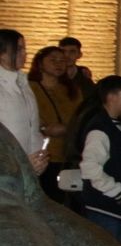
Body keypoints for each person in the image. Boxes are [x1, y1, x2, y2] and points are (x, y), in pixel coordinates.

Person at [77, 76, 121, 246]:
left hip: (115, 209)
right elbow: (90, 167)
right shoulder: (100, 128)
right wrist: (115, 190)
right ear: (111, 97)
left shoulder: (116, 126)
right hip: (104, 209)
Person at [29, 44, 83, 202]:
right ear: (40, 63)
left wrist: (69, 128)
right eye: (53, 60)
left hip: (68, 152)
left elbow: (81, 116)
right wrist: (44, 128)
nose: (59, 64)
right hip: (42, 153)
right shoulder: (29, 88)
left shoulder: (72, 90)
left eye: (62, 61)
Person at [0, 29, 47, 176]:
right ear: (2, 53)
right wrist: (18, 163)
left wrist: (38, 158)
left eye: (24, 49)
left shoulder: (23, 83)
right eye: (18, 49)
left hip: (28, 168)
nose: (24, 53)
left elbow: (32, 127)